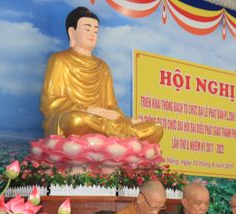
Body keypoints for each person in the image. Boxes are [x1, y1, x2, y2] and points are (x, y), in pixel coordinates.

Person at [40, 7, 163, 143]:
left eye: (95, 31)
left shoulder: (103, 67)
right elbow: (52, 101)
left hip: (102, 121)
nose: (92, 34)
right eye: (87, 29)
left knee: (156, 128)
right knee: (74, 120)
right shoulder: (59, 59)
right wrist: (91, 110)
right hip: (82, 118)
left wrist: (120, 118)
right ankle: (119, 137)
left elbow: (111, 106)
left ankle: (109, 134)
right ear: (72, 32)